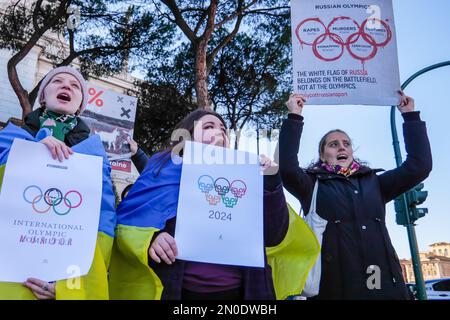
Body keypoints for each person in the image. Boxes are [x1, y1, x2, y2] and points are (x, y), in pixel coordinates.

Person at [109, 109, 319, 300]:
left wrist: (271, 182)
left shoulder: (248, 176)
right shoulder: (162, 168)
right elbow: (130, 218)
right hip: (176, 291)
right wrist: (152, 237)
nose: (219, 132)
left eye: (224, 130)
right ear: (188, 134)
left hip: (244, 294)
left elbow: (274, 235)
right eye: (209, 126)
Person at [278, 91, 432, 300]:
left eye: (346, 143)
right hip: (334, 290)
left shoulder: (374, 183)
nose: (342, 146)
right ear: (323, 155)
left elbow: (419, 166)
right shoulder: (312, 184)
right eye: (333, 144)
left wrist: (410, 115)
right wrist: (295, 116)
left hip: (385, 288)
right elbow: (286, 168)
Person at [0, 66, 116, 300]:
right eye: (57, 82)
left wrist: (71, 287)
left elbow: (104, 220)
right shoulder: (10, 138)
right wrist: (33, 149)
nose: (66, 86)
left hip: (69, 276)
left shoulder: (96, 156)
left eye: (75, 86)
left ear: (80, 103)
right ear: (42, 96)